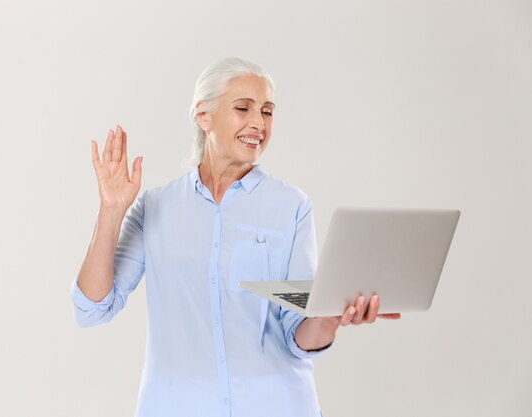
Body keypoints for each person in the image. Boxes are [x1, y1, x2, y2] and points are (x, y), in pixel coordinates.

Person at [71, 57, 401, 417]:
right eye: (243, 108)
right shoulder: (156, 207)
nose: (258, 124)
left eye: (268, 112)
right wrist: (111, 211)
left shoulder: (291, 206)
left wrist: (329, 318)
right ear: (203, 116)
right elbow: (92, 308)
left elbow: (298, 335)